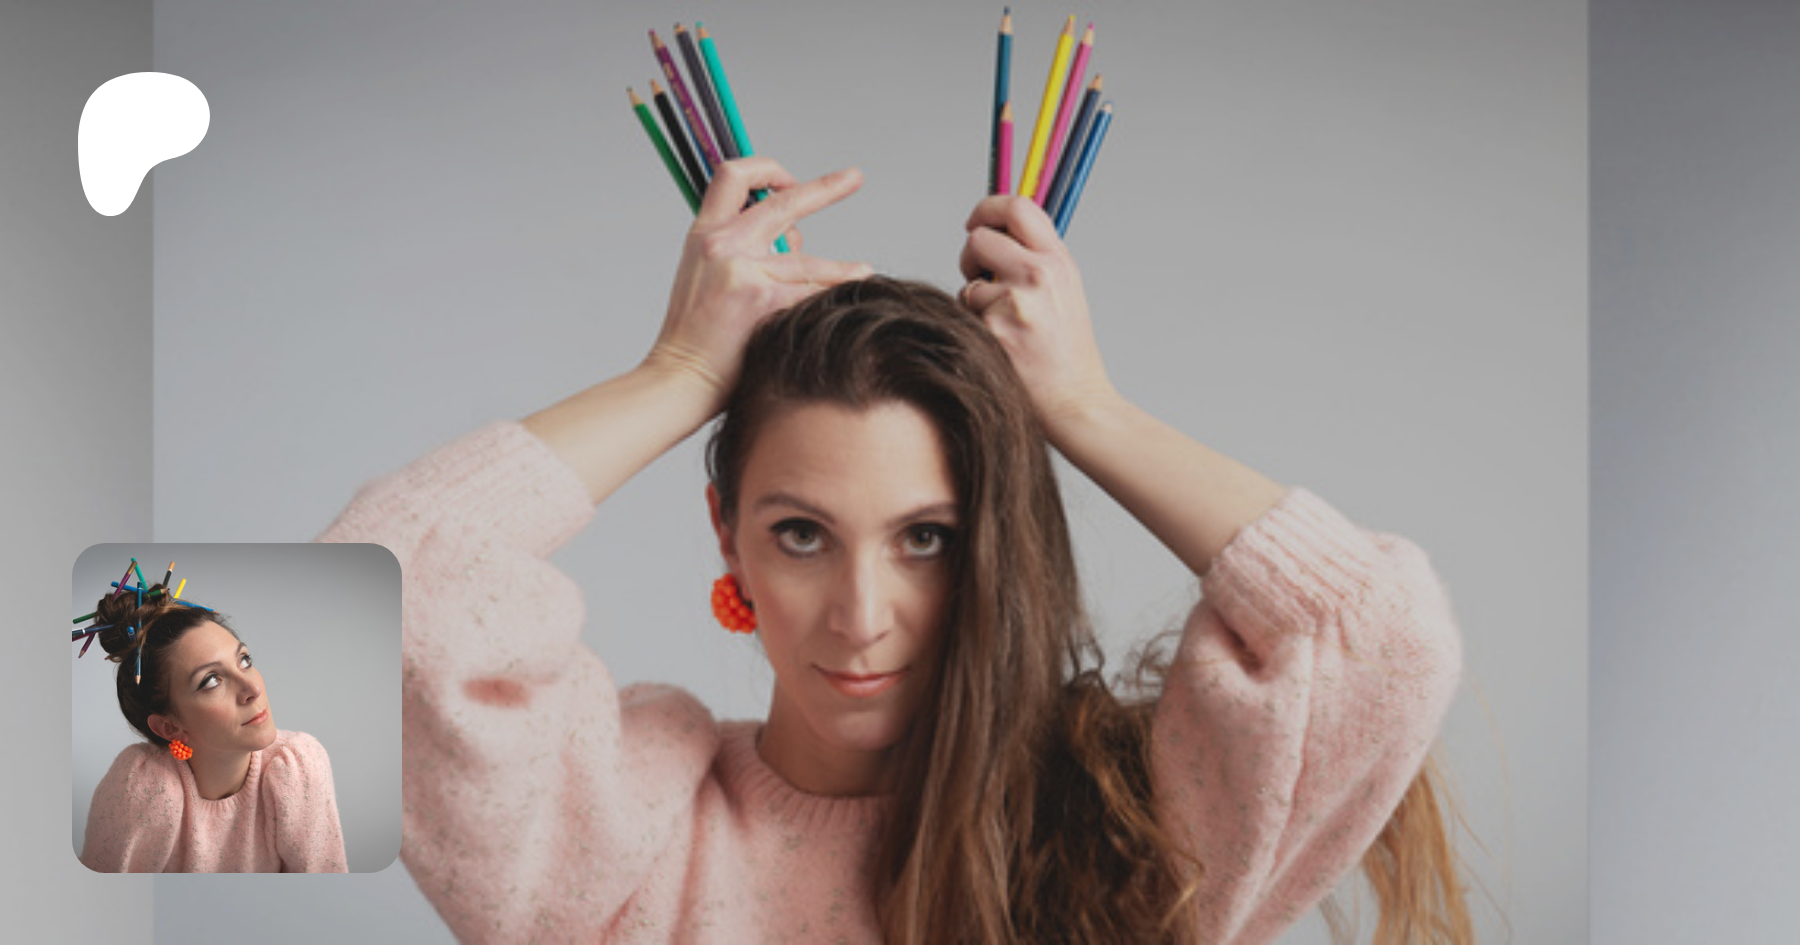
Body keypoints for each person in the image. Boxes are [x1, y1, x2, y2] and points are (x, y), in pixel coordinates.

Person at [317, 158, 1468, 942]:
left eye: (927, 539)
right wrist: (679, 374)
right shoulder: (618, 841)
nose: (861, 615)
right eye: (801, 535)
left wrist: (1086, 410)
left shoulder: (1121, 834)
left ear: (994, 547)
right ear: (728, 538)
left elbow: (1381, 640)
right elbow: (362, 597)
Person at [77, 577, 348, 873]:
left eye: (244, 660)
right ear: (169, 727)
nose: (253, 689)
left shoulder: (296, 766)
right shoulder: (145, 788)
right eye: (211, 681)